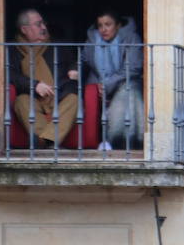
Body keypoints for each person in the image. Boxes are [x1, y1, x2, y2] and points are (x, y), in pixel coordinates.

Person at [8, 8, 80, 148]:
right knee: (21, 101)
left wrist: (75, 69)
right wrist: (34, 85)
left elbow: (76, 59)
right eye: (38, 24)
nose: (44, 27)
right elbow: (11, 75)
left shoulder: (57, 44)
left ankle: (43, 141)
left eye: (43, 23)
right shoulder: (13, 49)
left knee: (74, 100)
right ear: (24, 29)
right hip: (32, 96)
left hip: (59, 96)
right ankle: (50, 142)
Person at [75, 9, 144, 149]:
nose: (103, 29)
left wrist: (107, 84)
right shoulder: (92, 40)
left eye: (108, 24)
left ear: (118, 25)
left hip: (125, 82)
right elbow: (82, 60)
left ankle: (117, 139)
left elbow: (133, 68)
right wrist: (75, 69)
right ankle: (115, 142)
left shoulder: (131, 38)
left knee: (128, 91)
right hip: (98, 85)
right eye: (100, 25)